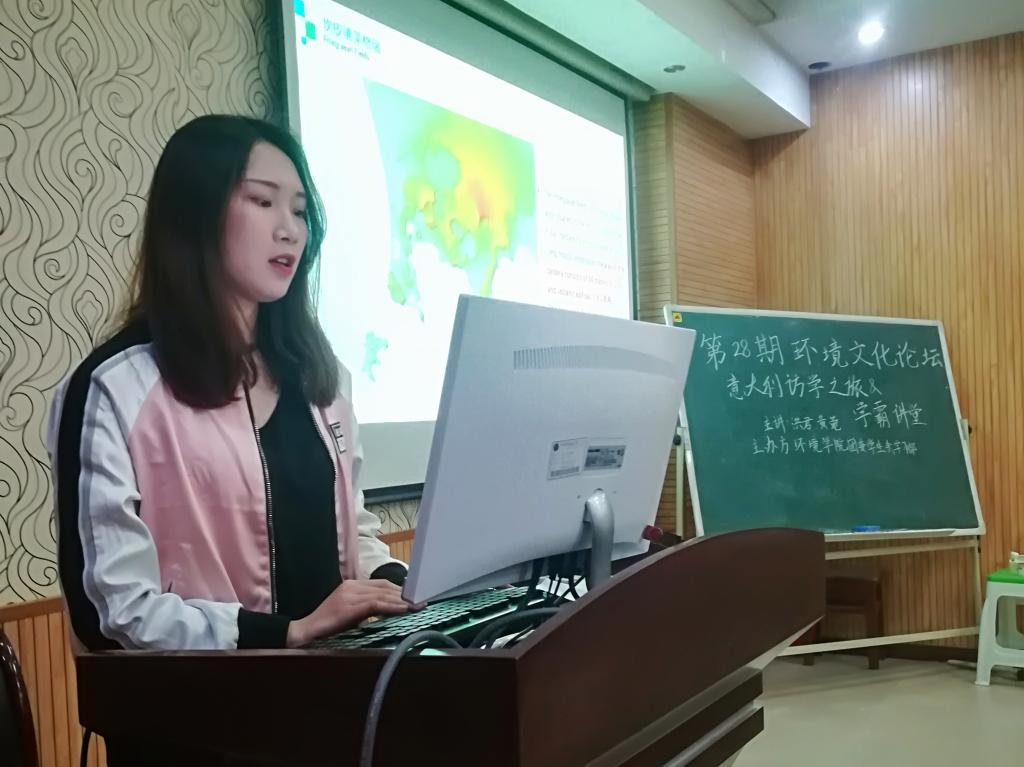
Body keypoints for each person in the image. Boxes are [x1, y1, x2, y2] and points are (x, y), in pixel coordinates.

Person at [47, 115, 413, 762]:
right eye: (263, 201)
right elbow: (112, 612)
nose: (289, 228)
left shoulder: (321, 379)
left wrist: (398, 582)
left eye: (299, 209)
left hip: (334, 718)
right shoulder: (117, 388)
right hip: (194, 734)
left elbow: (350, 530)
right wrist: (285, 632)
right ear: (196, 212)